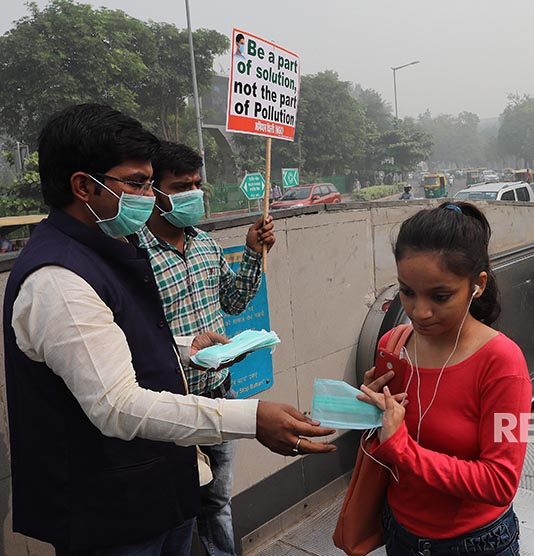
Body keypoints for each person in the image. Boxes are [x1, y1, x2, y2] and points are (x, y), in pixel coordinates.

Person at [2, 104, 335, 556]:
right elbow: (116, 405)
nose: (145, 194)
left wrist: (179, 344)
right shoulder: (58, 280)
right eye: (137, 183)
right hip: (114, 512)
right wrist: (251, 418)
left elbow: (113, 338)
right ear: (83, 185)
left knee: (212, 509)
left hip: (162, 481)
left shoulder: (111, 248)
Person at [357, 201, 532, 556]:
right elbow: (390, 437)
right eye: (407, 291)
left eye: (440, 296)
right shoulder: (393, 345)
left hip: (474, 543)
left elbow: (500, 483)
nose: (419, 312)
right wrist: (369, 412)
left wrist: (403, 450)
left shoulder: (503, 364)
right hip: (399, 529)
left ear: (477, 285)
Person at [138, 141, 275, 556]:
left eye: (198, 185)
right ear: (155, 191)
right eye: (181, 187)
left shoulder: (206, 246)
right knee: (173, 511)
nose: (194, 194)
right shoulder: (135, 253)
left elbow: (233, 301)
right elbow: (134, 332)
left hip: (219, 394)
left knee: (217, 502)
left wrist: (253, 253)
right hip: (169, 406)